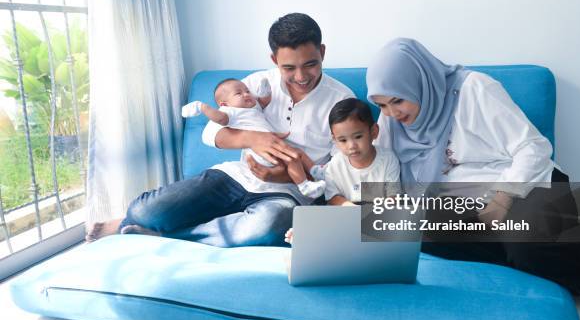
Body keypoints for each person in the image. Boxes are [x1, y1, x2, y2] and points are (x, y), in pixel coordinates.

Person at [365, 37, 580, 307]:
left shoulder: (473, 89)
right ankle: (540, 250)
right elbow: (381, 163)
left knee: (525, 244)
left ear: (419, 81)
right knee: (407, 228)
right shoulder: (391, 120)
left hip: (529, 184)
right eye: (381, 105)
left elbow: (534, 147)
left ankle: (553, 255)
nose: (391, 113)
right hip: (465, 203)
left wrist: (501, 200)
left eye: (398, 100)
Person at [85, 13, 354, 247]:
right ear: (274, 59)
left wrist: (281, 176)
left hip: (287, 193)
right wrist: (253, 138)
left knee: (269, 228)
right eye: (288, 67)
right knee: (146, 210)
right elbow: (211, 134)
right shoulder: (255, 84)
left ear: (323, 52)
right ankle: (141, 224)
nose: (301, 76)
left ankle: (172, 235)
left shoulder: (341, 101)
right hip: (236, 177)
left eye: (310, 64)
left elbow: (336, 172)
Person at [181, 77, 326, 199]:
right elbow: (219, 120)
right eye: (239, 93)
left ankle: (314, 171)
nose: (246, 94)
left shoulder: (252, 107)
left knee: (297, 154)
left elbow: (263, 102)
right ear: (224, 104)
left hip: (273, 144)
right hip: (258, 153)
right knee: (291, 158)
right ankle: (304, 185)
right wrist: (203, 108)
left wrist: (265, 91)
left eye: (247, 91)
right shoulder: (231, 112)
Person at [285, 98, 400, 244]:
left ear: (373, 132)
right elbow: (334, 199)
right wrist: (355, 214)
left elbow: (393, 198)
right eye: (343, 140)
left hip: (377, 215)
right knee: (326, 217)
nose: (351, 146)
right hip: (346, 212)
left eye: (358, 137)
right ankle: (307, 236)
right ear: (334, 140)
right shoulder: (336, 164)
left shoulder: (388, 159)